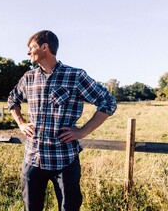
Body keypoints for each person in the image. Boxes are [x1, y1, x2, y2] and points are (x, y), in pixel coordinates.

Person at [7, 30, 117, 211]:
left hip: (64, 160)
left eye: (31, 47)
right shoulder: (28, 77)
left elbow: (108, 102)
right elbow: (12, 100)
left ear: (45, 47)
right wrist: (20, 122)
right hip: (33, 158)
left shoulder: (75, 77)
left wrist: (82, 132)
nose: (28, 52)